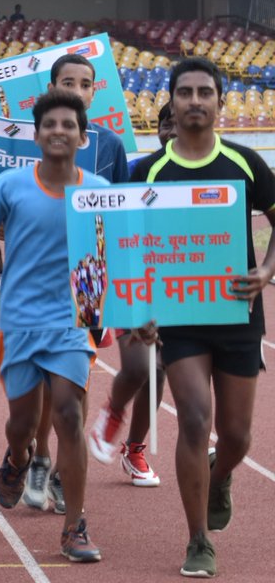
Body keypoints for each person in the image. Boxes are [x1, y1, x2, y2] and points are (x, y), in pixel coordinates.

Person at [0, 90, 105, 563]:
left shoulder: (97, 192)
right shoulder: (10, 186)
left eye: (68, 125)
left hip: (73, 322)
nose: (58, 131)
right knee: (23, 424)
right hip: (20, 322)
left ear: (82, 135)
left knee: (69, 414)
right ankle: (17, 458)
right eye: (49, 124)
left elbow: (123, 254)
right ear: (36, 134)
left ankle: (74, 526)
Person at [130, 57, 275, 578]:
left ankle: (222, 474)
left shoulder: (244, 163)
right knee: (194, 417)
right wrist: (133, 312)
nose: (195, 101)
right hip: (177, 317)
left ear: (219, 101)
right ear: (170, 101)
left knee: (236, 437)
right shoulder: (146, 172)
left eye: (204, 92)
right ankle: (198, 540)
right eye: (185, 92)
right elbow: (120, 247)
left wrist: (265, 271)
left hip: (237, 313)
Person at [22, 53, 132, 514]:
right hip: (39, 277)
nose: (76, 89)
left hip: (88, 280)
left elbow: (125, 214)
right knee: (42, 385)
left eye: (84, 83)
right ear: (50, 88)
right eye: (67, 82)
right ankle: (40, 457)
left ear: (94, 91)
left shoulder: (109, 145)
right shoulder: (30, 141)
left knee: (75, 381)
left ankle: (63, 471)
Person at [91, 100, 175, 486]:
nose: (173, 130)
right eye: (165, 123)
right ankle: (113, 412)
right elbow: (116, 221)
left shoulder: (216, 174)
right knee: (146, 368)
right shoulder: (139, 170)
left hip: (186, 285)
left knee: (167, 373)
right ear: (156, 130)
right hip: (136, 280)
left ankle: (134, 449)